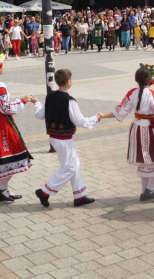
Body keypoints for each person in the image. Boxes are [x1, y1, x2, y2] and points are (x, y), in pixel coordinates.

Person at [102, 64, 154, 201]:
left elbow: (119, 111)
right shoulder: (152, 94)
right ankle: (149, 189)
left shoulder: (132, 93)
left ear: (137, 80)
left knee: (145, 161)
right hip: (148, 129)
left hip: (136, 128)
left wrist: (102, 115)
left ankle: (145, 191)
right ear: (151, 80)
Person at [31, 69, 100, 208]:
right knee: (70, 168)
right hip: (64, 139)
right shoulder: (69, 100)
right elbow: (80, 121)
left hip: (55, 138)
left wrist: (36, 103)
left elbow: (39, 115)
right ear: (69, 81)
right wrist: (96, 118)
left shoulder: (49, 97)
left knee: (74, 164)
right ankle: (44, 192)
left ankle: (79, 195)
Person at [0, 54, 34, 202]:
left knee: (5, 155)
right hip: (1, 123)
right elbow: (6, 108)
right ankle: (1, 187)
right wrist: (23, 100)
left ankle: (3, 189)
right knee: (14, 154)